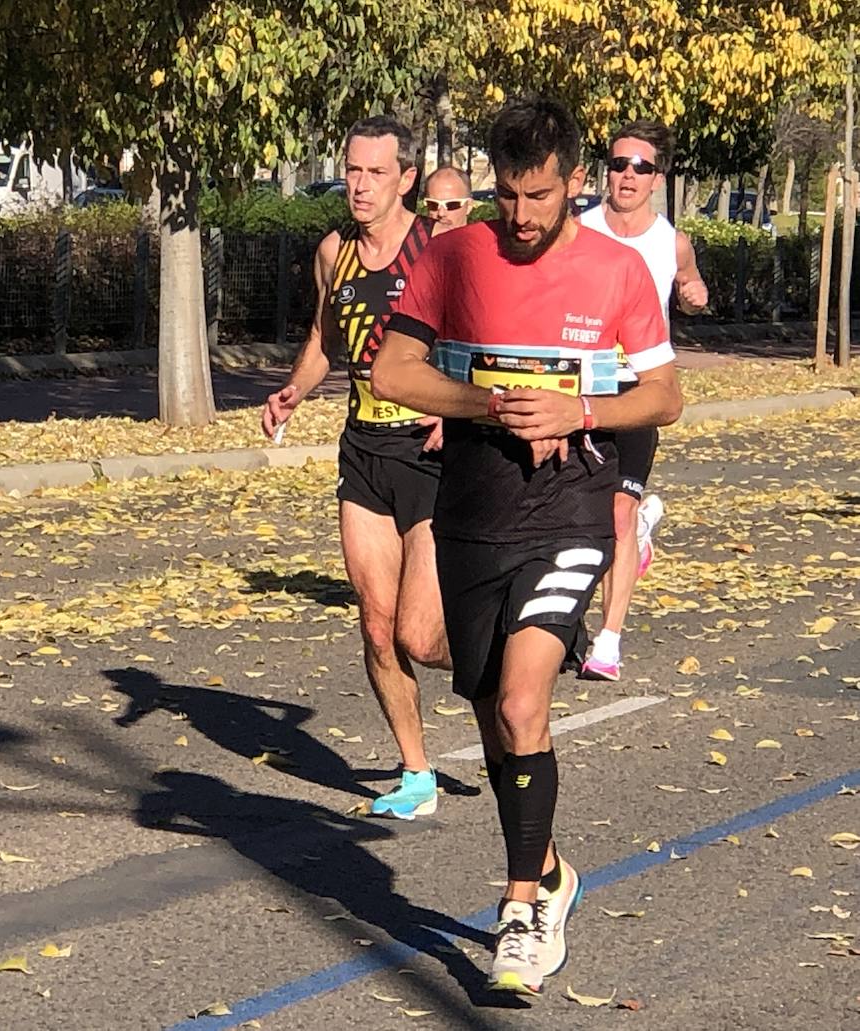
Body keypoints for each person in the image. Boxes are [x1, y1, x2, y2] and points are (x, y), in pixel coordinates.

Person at [372, 97, 681, 995]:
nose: (520, 215)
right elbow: (393, 371)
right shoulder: (455, 252)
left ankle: (521, 913)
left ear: (574, 182)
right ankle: (549, 869)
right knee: (485, 703)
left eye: (538, 195)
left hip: (572, 511)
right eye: (507, 194)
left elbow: (662, 397)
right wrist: (494, 403)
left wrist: (579, 410)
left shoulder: (618, 269)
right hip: (474, 507)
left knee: (519, 701)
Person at [260, 115, 449, 820]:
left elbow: (476, 334)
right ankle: (417, 772)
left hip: (430, 454)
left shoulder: (438, 250)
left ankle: (508, 656)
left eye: (376, 172)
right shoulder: (333, 252)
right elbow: (324, 338)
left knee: (421, 636)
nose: (360, 185)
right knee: (376, 625)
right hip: (364, 449)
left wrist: (451, 403)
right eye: (353, 170)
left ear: (407, 179)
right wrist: (294, 390)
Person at [577, 120, 708, 681]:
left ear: (658, 177)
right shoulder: (577, 229)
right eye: (618, 163)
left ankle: (607, 641)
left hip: (638, 389)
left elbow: (690, 284)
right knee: (573, 515)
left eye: (641, 166)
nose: (627, 174)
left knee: (617, 512)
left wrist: (695, 296)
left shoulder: (670, 241)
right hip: (578, 385)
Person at [421, 166, 473, 234]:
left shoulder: (484, 243)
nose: (441, 213)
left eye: (451, 204)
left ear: (469, 206)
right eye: (433, 204)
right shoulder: (415, 243)